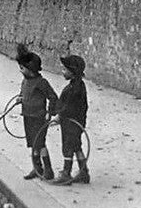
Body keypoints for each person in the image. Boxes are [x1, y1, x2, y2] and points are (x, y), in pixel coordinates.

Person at [16, 46, 58, 180]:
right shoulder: (25, 81)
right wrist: (20, 98)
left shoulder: (41, 82)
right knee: (32, 143)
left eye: (22, 68)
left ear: (30, 69)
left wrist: (49, 112)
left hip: (39, 117)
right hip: (28, 115)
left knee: (40, 144)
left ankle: (48, 170)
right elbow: (23, 92)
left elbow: (53, 97)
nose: (20, 70)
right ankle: (37, 167)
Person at [51, 55, 90, 186]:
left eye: (64, 70)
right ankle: (84, 172)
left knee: (68, 146)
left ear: (72, 73)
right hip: (77, 122)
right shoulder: (78, 85)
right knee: (77, 146)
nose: (62, 72)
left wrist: (59, 116)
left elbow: (69, 107)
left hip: (71, 123)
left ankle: (66, 173)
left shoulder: (74, 89)